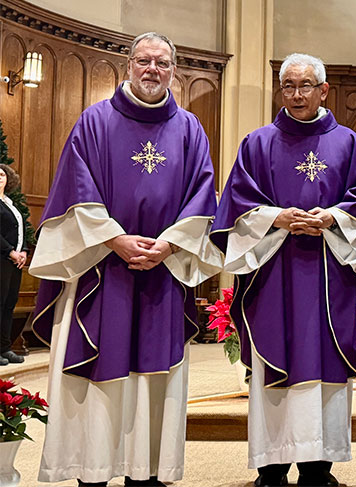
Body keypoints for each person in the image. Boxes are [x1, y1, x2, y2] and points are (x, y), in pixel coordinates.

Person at [28, 32, 222, 487]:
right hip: (102, 271)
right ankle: (92, 471)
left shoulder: (190, 128)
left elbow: (202, 196)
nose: (152, 69)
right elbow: (76, 191)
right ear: (128, 65)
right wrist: (115, 239)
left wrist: (170, 244)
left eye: (162, 62)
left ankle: (146, 474)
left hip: (162, 273)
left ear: (174, 70)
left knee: (154, 377)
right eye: (144, 61)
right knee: (100, 373)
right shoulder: (94, 121)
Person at [211, 53, 356, 487]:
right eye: (289, 85)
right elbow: (236, 204)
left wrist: (332, 218)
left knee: (324, 362)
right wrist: (276, 218)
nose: (297, 94)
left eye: (306, 85)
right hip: (274, 272)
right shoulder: (257, 143)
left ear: (323, 90)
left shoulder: (349, 144)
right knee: (274, 361)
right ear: (280, 90)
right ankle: (272, 465)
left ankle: (319, 466)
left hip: (327, 273)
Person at [0, 164, 28, 365]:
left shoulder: (10, 203)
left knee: (9, 305)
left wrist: (24, 251)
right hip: (2, 258)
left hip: (14, 263)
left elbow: (21, 230)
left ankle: (4, 347)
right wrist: (10, 251)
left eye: (2, 174)